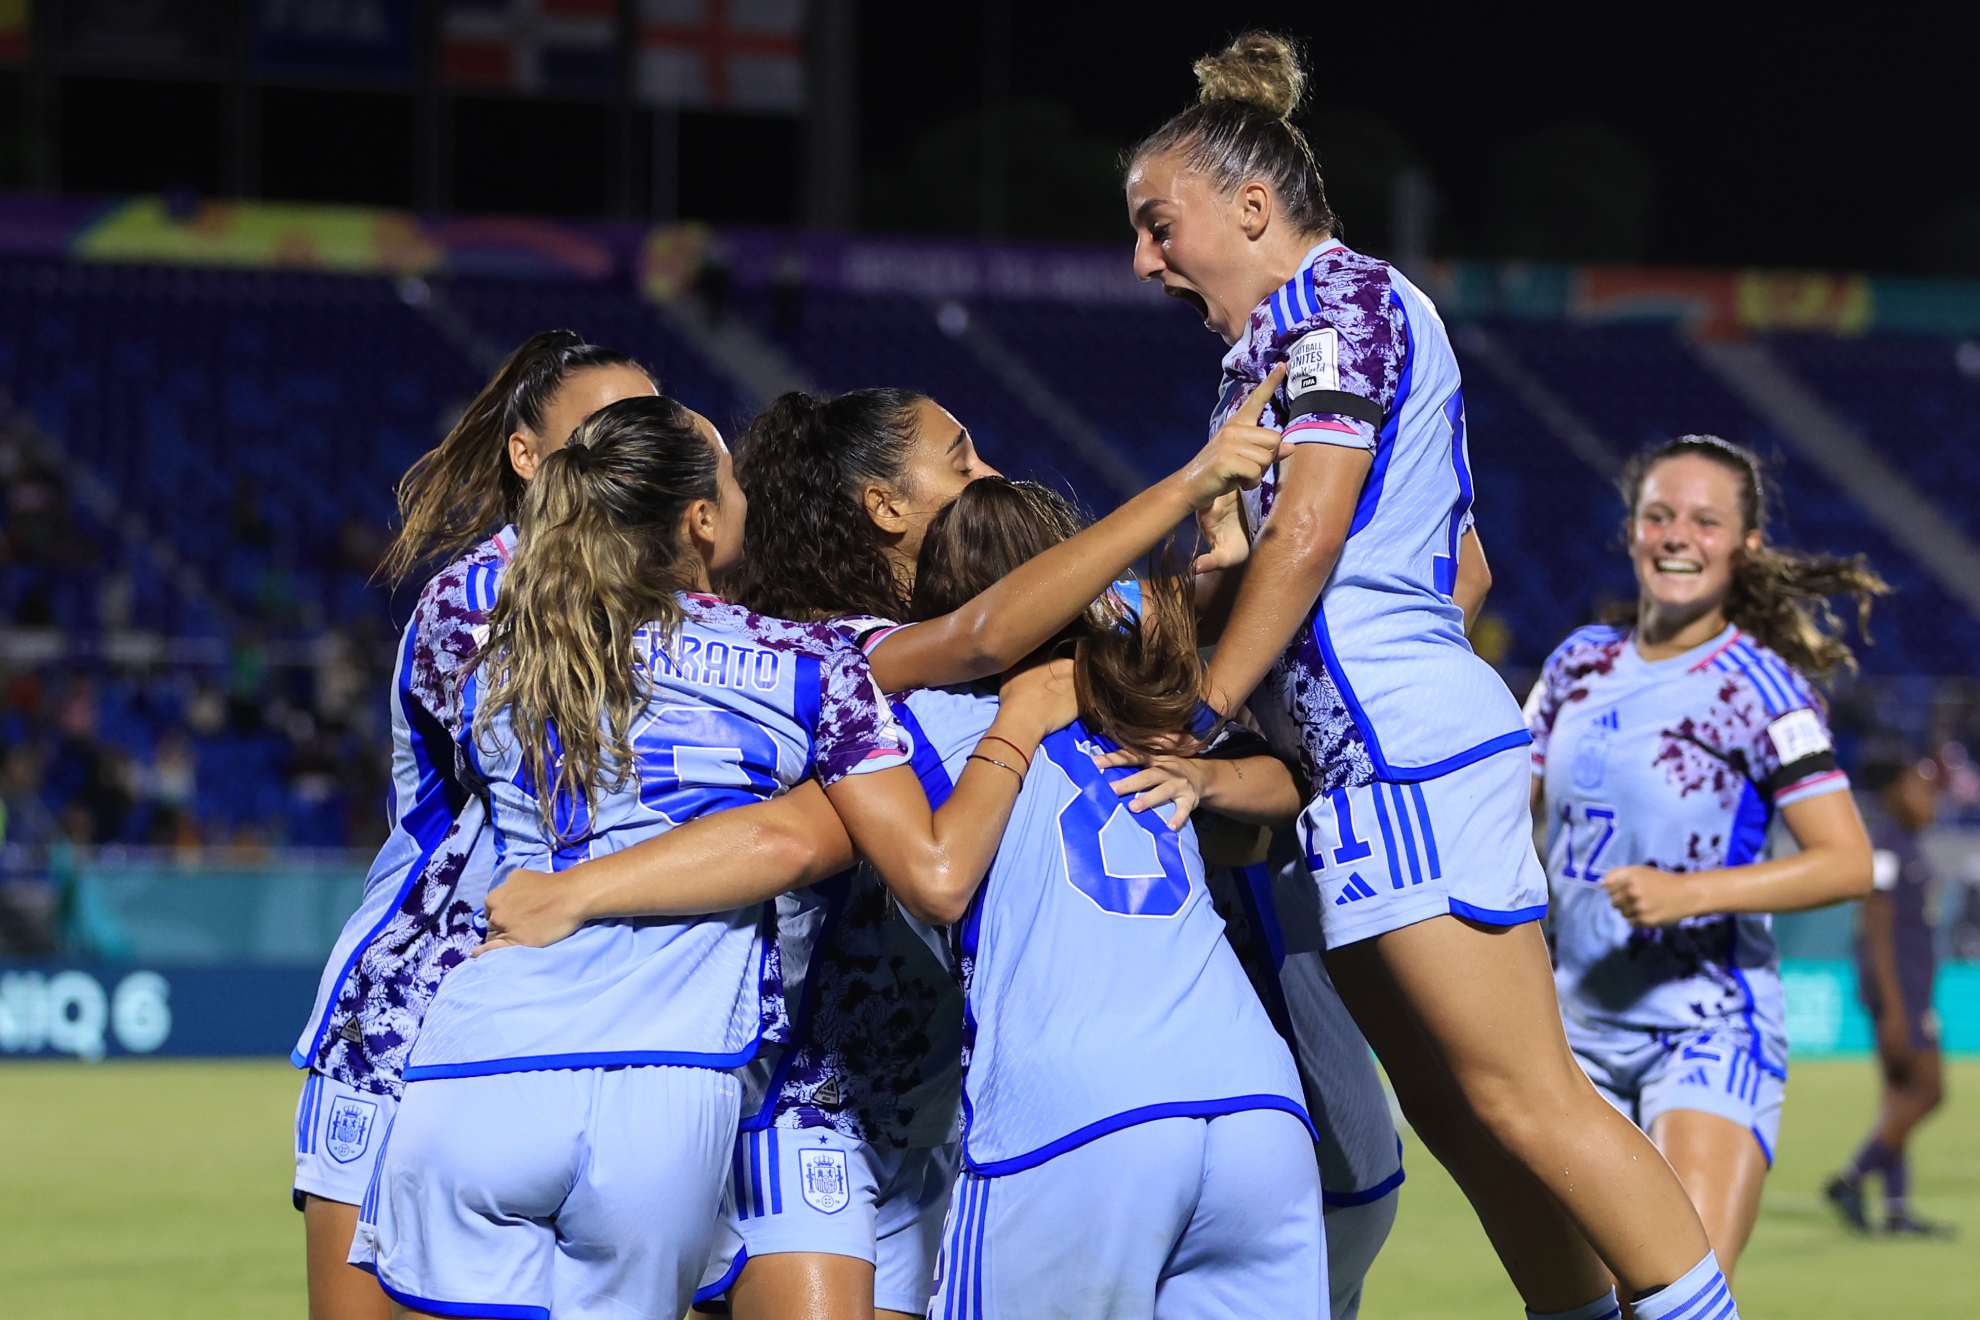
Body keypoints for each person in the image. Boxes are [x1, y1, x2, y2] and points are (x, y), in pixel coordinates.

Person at [1124, 30, 1746, 1319]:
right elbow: (1461, 571)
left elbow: (1311, 538)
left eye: (1158, 225)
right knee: (1468, 1123)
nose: (1145, 261)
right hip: (1361, 768)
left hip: (1400, 757)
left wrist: (1206, 712)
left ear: (1252, 205)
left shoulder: (1333, 305)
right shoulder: (1269, 354)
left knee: (1530, 1098)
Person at [474, 379, 1288, 1320]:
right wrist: (1191, 484)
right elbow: (978, 644)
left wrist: (1209, 578)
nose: (990, 476)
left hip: (943, 1101)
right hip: (817, 1099)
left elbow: (1108, 631)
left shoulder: (1017, 656)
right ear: (884, 505)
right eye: (963, 459)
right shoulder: (842, 654)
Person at [351, 394, 1079, 1320]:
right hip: (674, 1079)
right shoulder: (805, 661)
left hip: (482, 1058)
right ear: (699, 518)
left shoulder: (511, 655)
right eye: (732, 483)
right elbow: (821, 813)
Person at [289, 330, 654, 1320]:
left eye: (651, 431)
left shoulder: (688, 606)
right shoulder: (482, 598)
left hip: (596, 1021)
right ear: (527, 456)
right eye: (600, 434)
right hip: (418, 1015)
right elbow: (583, 767)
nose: (631, 455)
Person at [1529, 434, 1881, 1278]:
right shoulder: (1576, 664)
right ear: (1632, 530)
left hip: (1707, 1029)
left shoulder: (1760, 688)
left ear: (1745, 546)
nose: (1677, 535)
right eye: (1659, 515)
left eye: (1705, 520)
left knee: (1678, 1300)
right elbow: (1503, 807)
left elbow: (1847, 862)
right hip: (1569, 1042)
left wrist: (1693, 895)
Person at [1827, 749, 1956, 1237]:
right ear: (1895, 791)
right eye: (1919, 787)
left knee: (1900, 1098)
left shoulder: (1905, 845)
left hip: (1910, 994)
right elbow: (1875, 928)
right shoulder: (1884, 847)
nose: (1930, 799)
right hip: (1901, 998)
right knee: (1929, 1091)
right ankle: (1853, 1178)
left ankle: (1897, 1209)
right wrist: (1896, 1010)